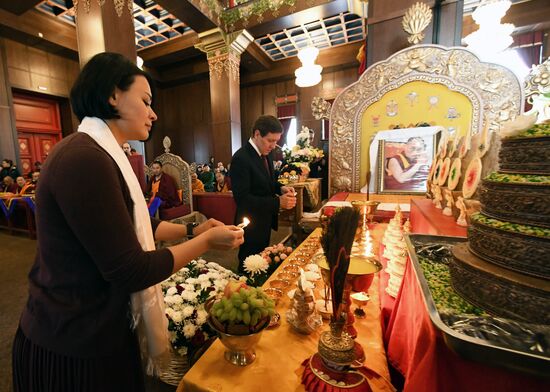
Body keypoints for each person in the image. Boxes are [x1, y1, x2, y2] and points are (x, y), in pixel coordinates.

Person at [11, 52, 244, 392]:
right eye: (146, 100)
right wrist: (205, 244)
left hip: (97, 329)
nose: (154, 113)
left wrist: (195, 228)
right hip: (73, 341)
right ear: (112, 95)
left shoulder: (106, 153)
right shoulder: (83, 158)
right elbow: (130, 270)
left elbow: (137, 227)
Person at [230, 115, 296, 271]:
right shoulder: (241, 158)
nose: (274, 145)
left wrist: (280, 188)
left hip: (264, 219)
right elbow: (242, 199)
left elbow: (267, 182)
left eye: (276, 141)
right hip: (250, 223)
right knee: (248, 264)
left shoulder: (266, 152)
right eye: (270, 140)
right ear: (257, 134)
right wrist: (278, 202)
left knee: (261, 261)